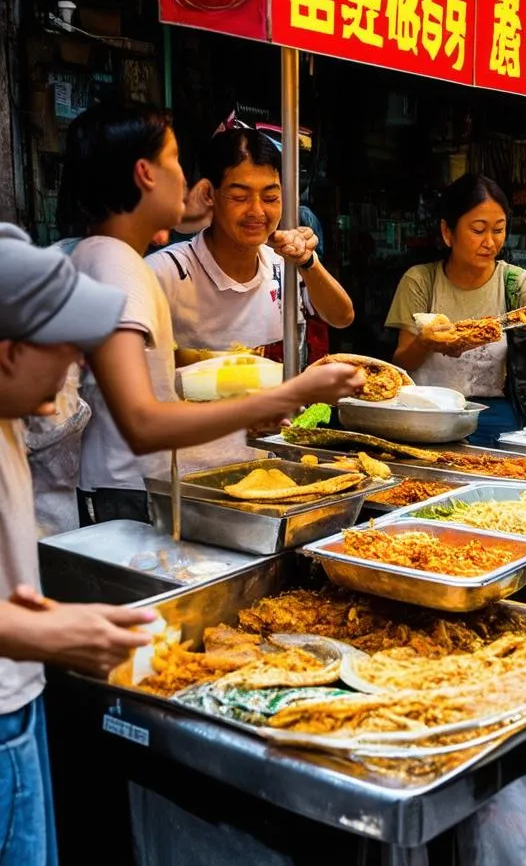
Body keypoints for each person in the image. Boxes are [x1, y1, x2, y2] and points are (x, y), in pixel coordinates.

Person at [56, 102, 366, 523]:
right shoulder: (124, 268)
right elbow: (143, 422)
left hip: (190, 481)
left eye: (270, 195)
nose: (189, 181)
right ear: (146, 175)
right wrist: (291, 394)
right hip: (132, 490)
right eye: (175, 163)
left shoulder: (102, 256)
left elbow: (339, 314)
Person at [0, 224, 162, 865]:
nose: (78, 365)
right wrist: (43, 635)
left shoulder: (13, 410)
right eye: (66, 348)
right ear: (9, 350)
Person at [147, 128, 354, 366]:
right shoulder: (166, 272)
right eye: (239, 197)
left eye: (270, 198)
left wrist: (309, 261)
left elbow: (342, 316)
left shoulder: (282, 265)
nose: (257, 212)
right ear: (208, 194)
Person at [386, 173, 526, 446]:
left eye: (499, 229)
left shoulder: (514, 281)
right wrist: (426, 342)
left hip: (493, 414)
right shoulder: (420, 281)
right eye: (478, 230)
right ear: (448, 232)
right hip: (428, 412)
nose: (490, 242)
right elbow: (402, 362)